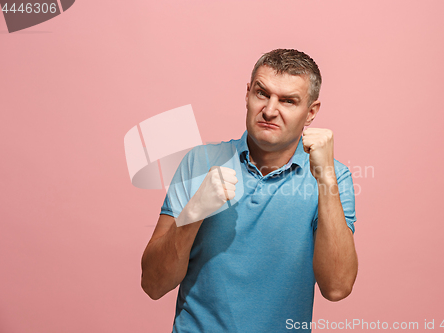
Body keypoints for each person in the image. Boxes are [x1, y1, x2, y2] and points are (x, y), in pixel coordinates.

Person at [141, 49, 358, 332]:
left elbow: (338, 288)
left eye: (288, 101)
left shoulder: (335, 177)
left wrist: (326, 179)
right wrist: (193, 213)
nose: (269, 110)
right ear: (247, 94)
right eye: (262, 94)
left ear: (311, 112)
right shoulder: (200, 162)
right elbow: (153, 284)